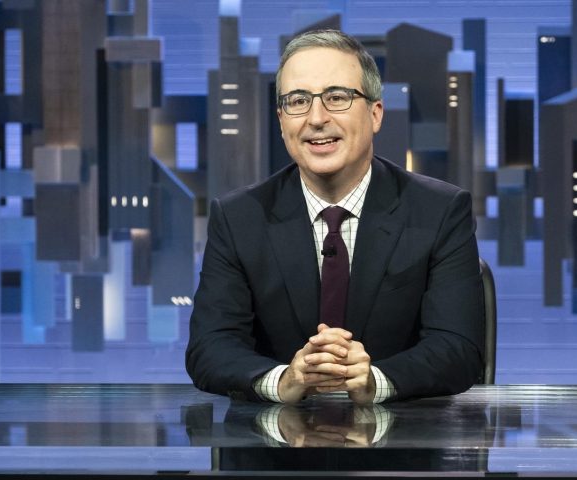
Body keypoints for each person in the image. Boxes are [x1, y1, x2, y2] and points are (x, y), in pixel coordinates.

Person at [186, 29, 484, 404]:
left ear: (375, 114)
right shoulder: (238, 218)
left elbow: (458, 348)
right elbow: (210, 348)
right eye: (298, 101)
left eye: (337, 97)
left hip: (404, 436)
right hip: (269, 438)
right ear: (281, 121)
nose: (316, 118)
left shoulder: (440, 211)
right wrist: (284, 380)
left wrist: (375, 380)